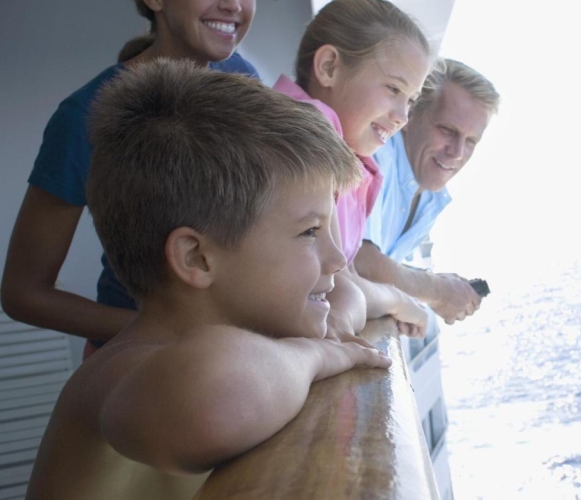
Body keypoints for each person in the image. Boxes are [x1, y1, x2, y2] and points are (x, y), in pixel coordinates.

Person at [25, 60, 391, 500]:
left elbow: (348, 291)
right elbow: (214, 398)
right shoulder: (122, 372)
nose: (337, 257)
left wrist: (391, 302)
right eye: (310, 231)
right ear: (197, 258)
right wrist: (317, 355)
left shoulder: (246, 334)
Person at [1, 0, 259, 355]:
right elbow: (23, 294)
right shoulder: (83, 116)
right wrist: (169, 330)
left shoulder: (242, 80)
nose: (233, 3)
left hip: (234, 347)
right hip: (137, 361)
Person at [271, 0, 433, 341]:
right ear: (329, 66)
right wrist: (395, 300)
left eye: (411, 100)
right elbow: (330, 294)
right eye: (393, 88)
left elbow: (345, 275)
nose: (403, 116)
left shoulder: (346, 154)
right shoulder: (297, 145)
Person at [356, 58, 500, 325]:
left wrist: (433, 288)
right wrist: (436, 291)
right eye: (447, 130)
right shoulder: (377, 158)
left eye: (470, 141)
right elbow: (360, 261)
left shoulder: (430, 195)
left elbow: (382, 264)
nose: (457, 153)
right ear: (409, 116)